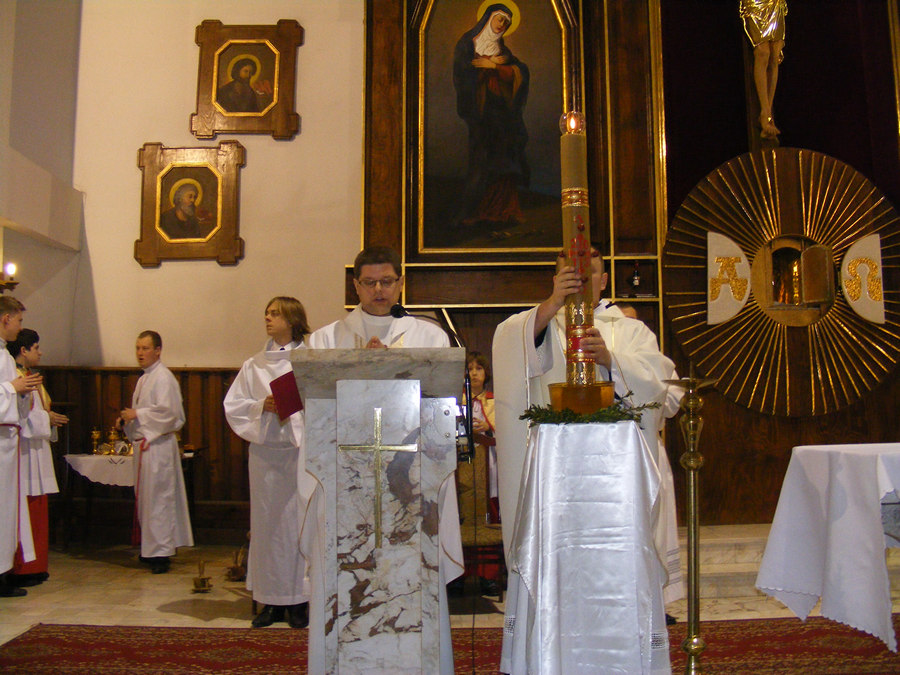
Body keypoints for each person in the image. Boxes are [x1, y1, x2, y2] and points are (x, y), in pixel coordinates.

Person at [492, 250, 682, 602]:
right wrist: (553, 304)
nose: (580, 280)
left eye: (589, 273)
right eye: (570, 273)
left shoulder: (631, 331)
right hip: (556, 470)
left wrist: (611, 360)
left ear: (604, 280)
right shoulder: (539, 324)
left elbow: (660, 390)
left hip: (618, 469)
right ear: (555, 280)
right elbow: (509, 348)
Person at [224, 297, 315, 629]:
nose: (267, 317)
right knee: (267, 528)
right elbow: (234, 405)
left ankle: (300, 601)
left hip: (299, 454)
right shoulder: (254, 365)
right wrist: (260, 405)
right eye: (267, 312)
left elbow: (323, 402)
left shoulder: (309, 361)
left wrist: (295, 411)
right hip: (265, 457)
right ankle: (271, 602)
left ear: (292, 320)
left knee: (298, 526)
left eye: (275, 313)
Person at [118, 331, 193, 574]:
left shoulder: (164, 377)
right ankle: (150, 549)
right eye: (137, 348)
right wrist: (127, 421)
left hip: (158, 446)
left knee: (160, 499)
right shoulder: (144, 379)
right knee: (147, 501)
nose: (140, 353)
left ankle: (161, 553)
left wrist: (138, 414)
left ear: (158, 350)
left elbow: (171, 414)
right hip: (145, 445)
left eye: (145, 348)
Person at [452, 2, 530, 229]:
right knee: (482, 161)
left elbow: (521, 73)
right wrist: (483, 70)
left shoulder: (503, 51)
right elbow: (461, 76)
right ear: (488, 18)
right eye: (500, 19)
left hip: (503, 116)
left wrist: (495, 66)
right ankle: (475, 211)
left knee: (505, 159)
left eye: (507, 23)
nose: (502, 25)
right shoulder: (467, 44)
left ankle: (505, 210)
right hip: (481, 115)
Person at [7, 329, 68, 587]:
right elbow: (22, 417)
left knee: (38, 507)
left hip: (36, 451)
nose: (40, 352)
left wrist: (47, 417)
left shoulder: (31, 376)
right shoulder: (16, 376)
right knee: (26, 508)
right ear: (23, 350)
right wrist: (47, 418)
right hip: (23, 452)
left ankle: (37, 565)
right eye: (36, 347)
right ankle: (23, 568)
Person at [307, 246, 450, 349]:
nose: (378, 289)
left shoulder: (432, 337)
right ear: (356, 286)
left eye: (386, 281)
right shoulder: (325, 340)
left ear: (401, 283)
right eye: (369, 282)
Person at [0, 297, 41, 598]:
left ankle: (4, 571)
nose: (19, 327)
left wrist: (24, 391)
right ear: (5, 319)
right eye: (18, 320)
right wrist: (11, 388)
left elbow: (13, 397)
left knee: (7, 510)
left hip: (8, 442)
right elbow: (6, 391)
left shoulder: (4, 354)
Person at [457, 351, 502, 596]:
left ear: (486, 373)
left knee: (487, 515)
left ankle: (488, 576)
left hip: (487, 466)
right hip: (460, 466)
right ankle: (457, 575)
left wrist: (489, 427)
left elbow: (505, 430)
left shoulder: (495, 401)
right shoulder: (455, 399)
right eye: (469, 368)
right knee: (458, 514)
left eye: (479, 368)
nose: (474, 373)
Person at [740, 0, 787, 139]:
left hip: (774, 3)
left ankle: (766, 115)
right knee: (762, 52)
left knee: (774, 54)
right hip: (755, 3)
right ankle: (765, 113)